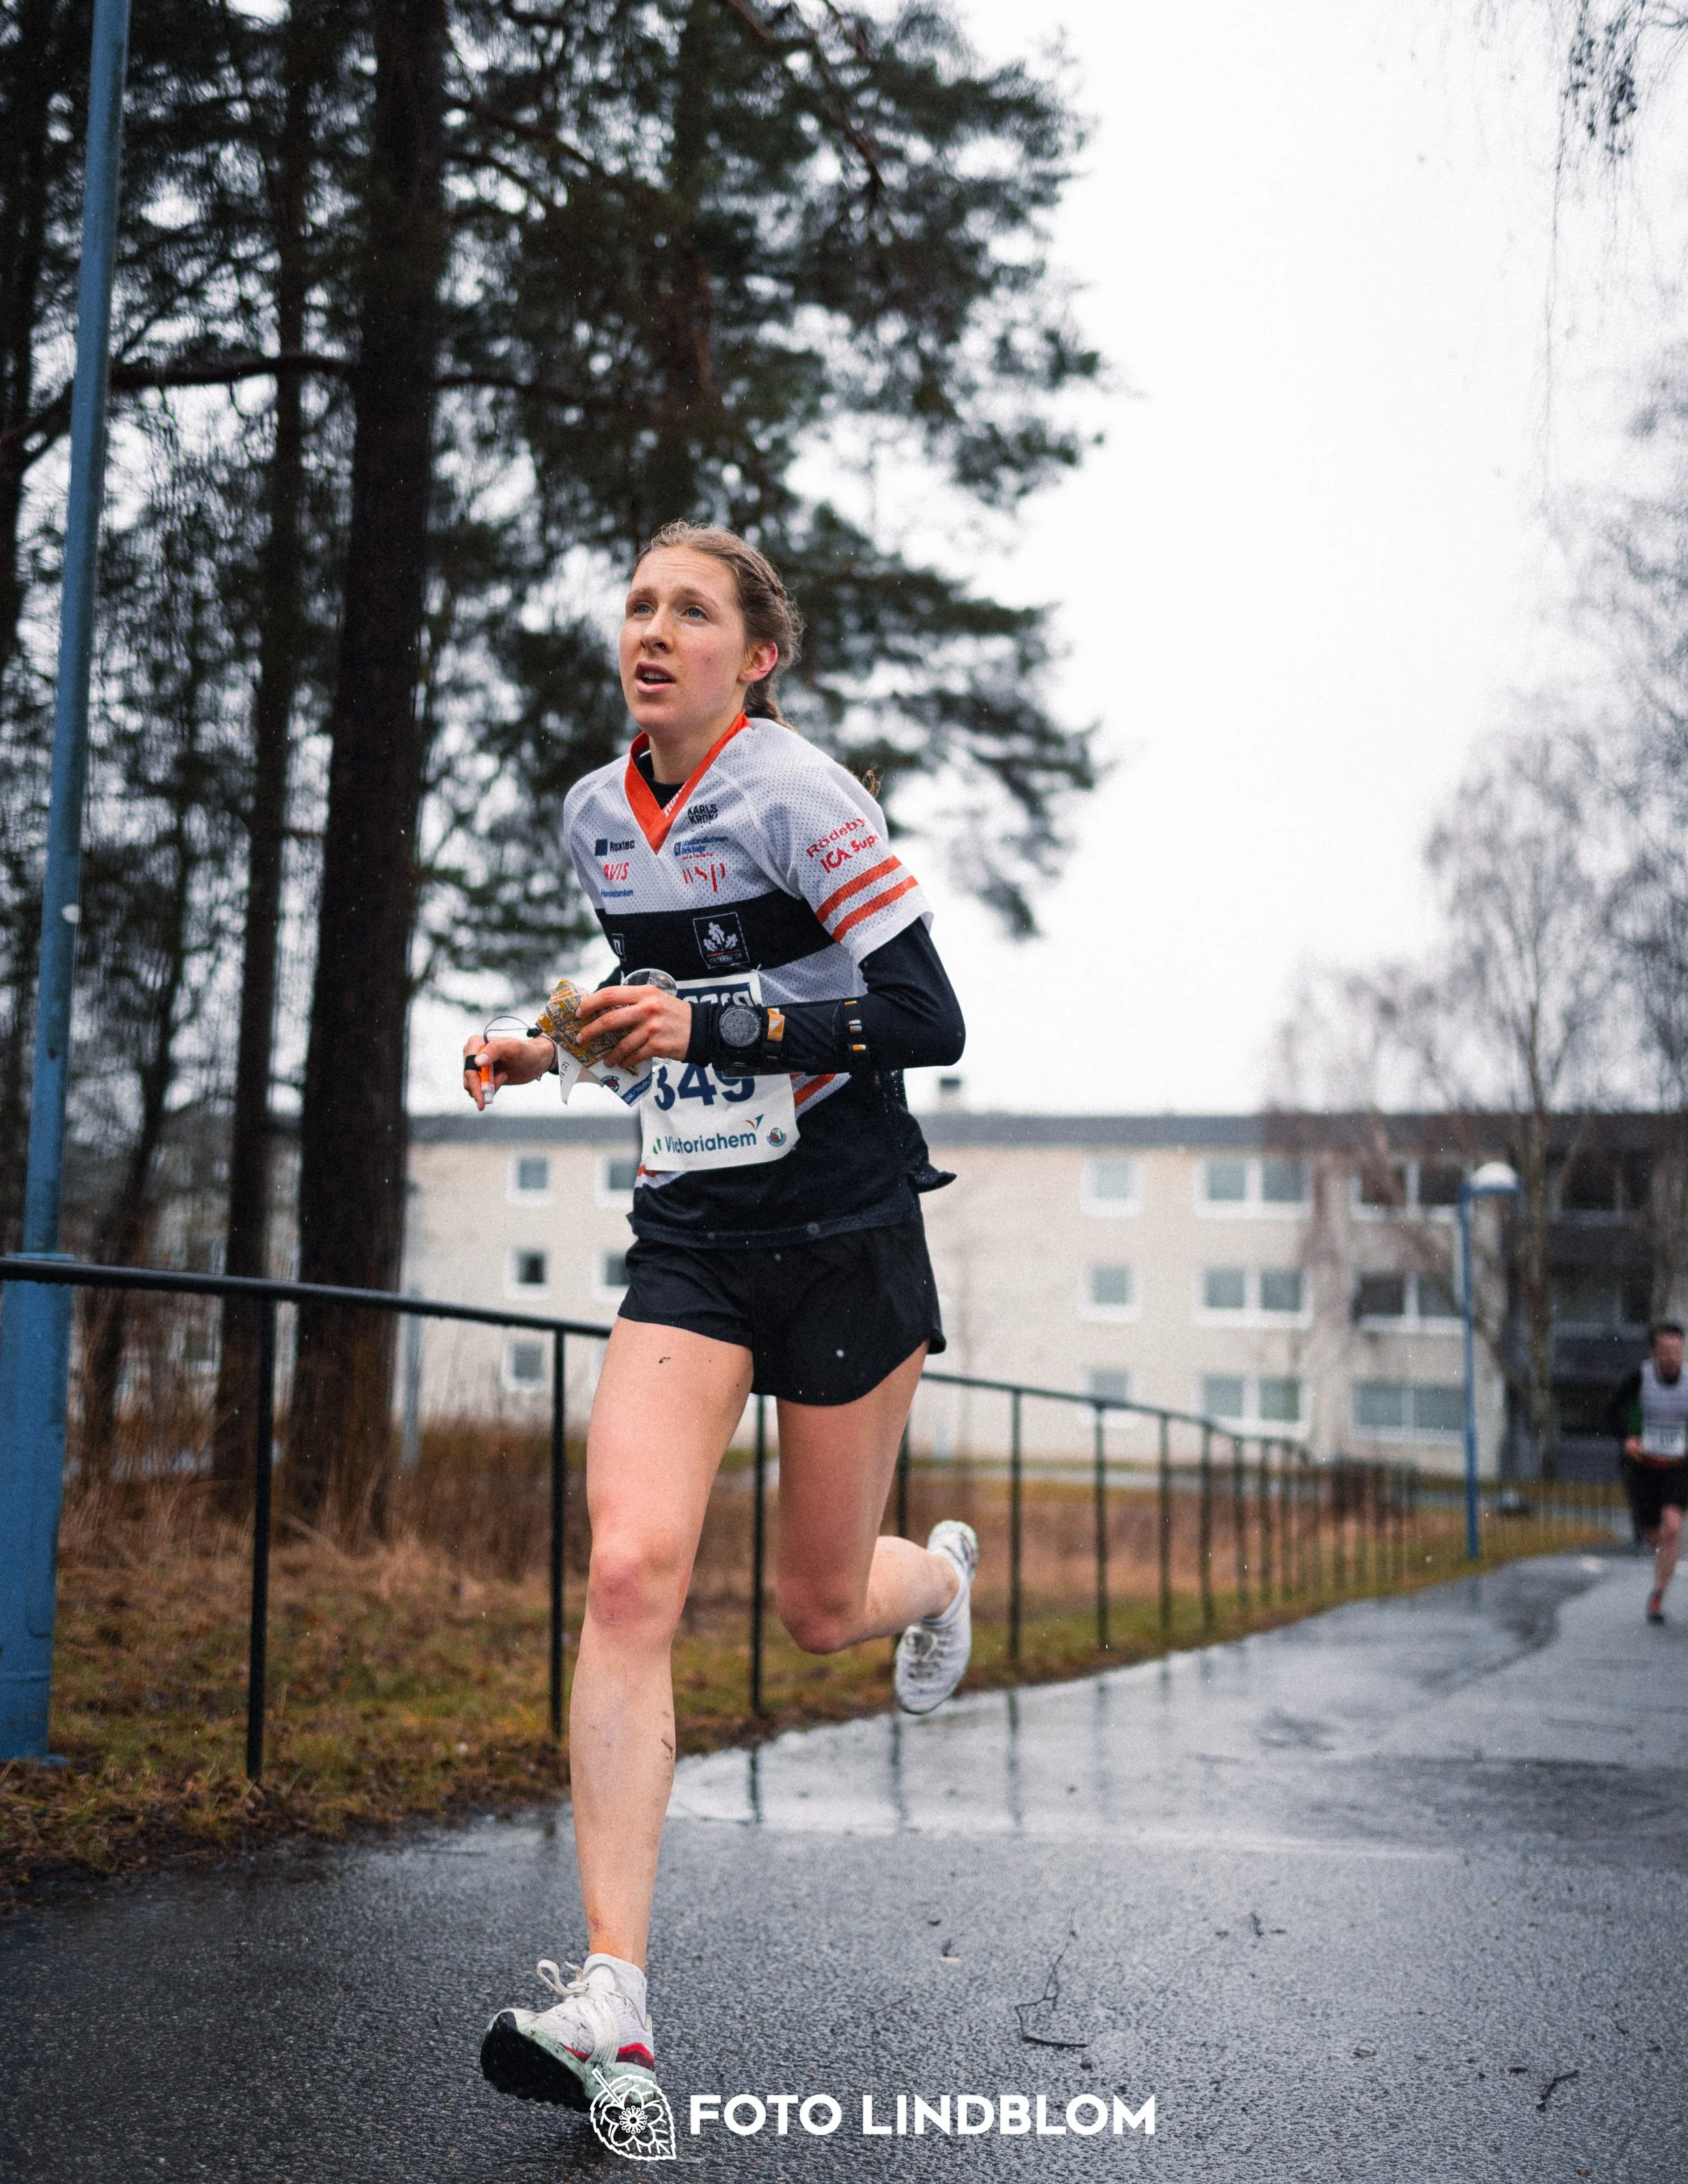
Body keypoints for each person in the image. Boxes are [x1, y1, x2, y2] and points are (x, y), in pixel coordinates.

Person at [460, 523, 974, 2125]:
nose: (652, 629)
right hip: (691, 1234)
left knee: (820, 1605)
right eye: (637, 603)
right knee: (629, 1569)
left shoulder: (802, 796)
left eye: (690, 609)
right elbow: (653, 994)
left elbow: (928, 1014)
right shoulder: (593, 817)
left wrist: (722, 1023)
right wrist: (550, 1043)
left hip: (842, 1231)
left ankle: (938, 1576)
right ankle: (612, 1997)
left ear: (754, 655)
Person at [1605, 1319, 1688, 1626]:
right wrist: (1627, 1438)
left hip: (1677, 1467)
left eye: (1677, 1351)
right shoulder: (1638, 1378)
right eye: (1666, 1351)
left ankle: (1658, 1594)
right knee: (1653, 1535)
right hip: (1642, 1469)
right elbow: (1611, 1411)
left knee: (1672, 1527)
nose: (1672, 1358)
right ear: (1653, 1352)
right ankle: (1663, 1556)